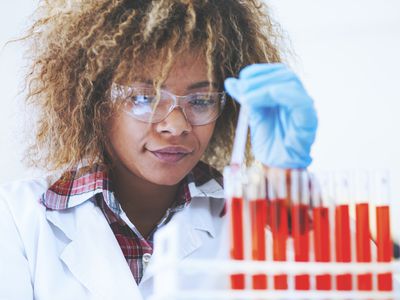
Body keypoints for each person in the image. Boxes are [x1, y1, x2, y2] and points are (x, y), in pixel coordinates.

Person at [0, 0, 317, 299]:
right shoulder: (17, 218)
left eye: (201, 100)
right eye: (145, 98)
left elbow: (349, 287)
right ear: (96, 102)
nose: (176, 125)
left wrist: (286, 177)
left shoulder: (258, 219)